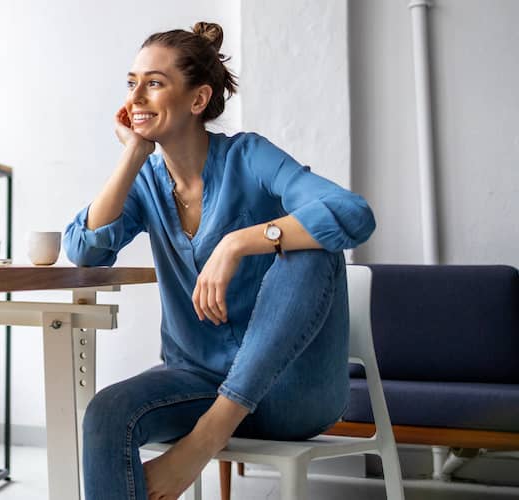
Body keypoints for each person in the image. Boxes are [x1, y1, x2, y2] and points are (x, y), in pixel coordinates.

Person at [63, 21, 375, 500]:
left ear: (197, 99)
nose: (136, 97)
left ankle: (205, 440)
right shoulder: (146, 180)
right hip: (197, 379)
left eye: (154, 83)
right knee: (106, 414)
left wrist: (240, 242)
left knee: (312, 251)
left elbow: (353, 213)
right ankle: (210, 425)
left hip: (290, 391)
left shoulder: (248, 156)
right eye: (131, 83)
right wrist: (132, 155)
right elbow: (85, 251)